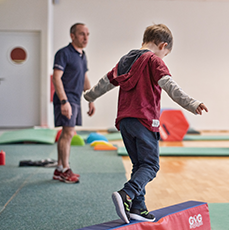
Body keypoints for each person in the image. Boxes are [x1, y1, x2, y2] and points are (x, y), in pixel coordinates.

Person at [83, 24, 208, 223]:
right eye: (165, 54)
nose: (163, 57)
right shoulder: (154, 61)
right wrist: (192, 103)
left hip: (124, 121)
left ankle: (138, 208)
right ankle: (127, 194)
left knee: (139, 165)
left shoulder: (125, 61)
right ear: (162, 45)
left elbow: (104, 83)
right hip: (144, 121)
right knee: (151, 165)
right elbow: (170, 87)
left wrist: (89, 95)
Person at [52, 23, 95, 184]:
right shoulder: (63, 53)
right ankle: (65, 169)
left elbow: (84, 78)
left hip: (76, 100)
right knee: (69, 133)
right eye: (82, 34)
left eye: (88, 34)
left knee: (67, 133)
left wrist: (90, 98)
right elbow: (56, 78)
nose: (86, 38)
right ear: (72, 36)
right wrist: (64, 101)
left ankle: (59, 169)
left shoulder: (83, 55)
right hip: (66, 99)